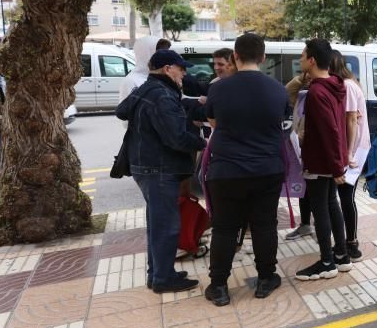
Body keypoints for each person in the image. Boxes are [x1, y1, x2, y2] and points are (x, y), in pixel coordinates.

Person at [202, 34, 289, 306]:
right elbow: (282, 122)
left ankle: (218, 286)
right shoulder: (278, 89)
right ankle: (266, 279)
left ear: (235, 57)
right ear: (263, 57)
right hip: (267, 168)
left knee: (225, 228)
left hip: (226, 169)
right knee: (265, 225)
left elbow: (213, 121)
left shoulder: (218, 89)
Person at [115, 50, 206, 293]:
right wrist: (203, 143)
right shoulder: (162, 96)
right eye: (181, 68)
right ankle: (164, 280)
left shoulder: (148, 89)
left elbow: (159, 112)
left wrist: (193, 103)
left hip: (145, 166)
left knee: (157, 224)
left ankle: (157, 274)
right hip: (159, 168)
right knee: (166, 225)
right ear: (167, 69)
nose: (184, 73)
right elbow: (175, 138)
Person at [294, 39, 353, 279]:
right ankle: (341, 256)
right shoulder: (335, 85)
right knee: (331, 204)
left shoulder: (317, 92)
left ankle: (327, 261)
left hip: (321, 161)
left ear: (312, 60)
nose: (300, 60)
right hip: (331, 159)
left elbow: (330, 130)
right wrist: (338, 162)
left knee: (321, 208)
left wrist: (336, 167)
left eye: (302, 55)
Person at [331, 50, 368, 261]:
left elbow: (352, 121)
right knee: (343, 196)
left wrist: (348, 153)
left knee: (346, 196)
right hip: (351, 148)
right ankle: (345, 241)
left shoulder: (347, 86)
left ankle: (352, 243)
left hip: (354, 148)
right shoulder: (347, 83)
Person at [283, 69, 314, 241]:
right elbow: (288, 92)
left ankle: (325, 231)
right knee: (304, 189)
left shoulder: (325, 94)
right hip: (303, 150)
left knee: (322, 195)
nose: (308, 79)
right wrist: (302, 78)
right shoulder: (302, 96)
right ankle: (305, 225)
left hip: (318, 153)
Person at [118, 36, 160, 102]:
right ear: (145, 53)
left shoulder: (163, 77)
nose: (161, 54)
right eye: (157, 50)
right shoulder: (130, 81)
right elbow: (125, 110)